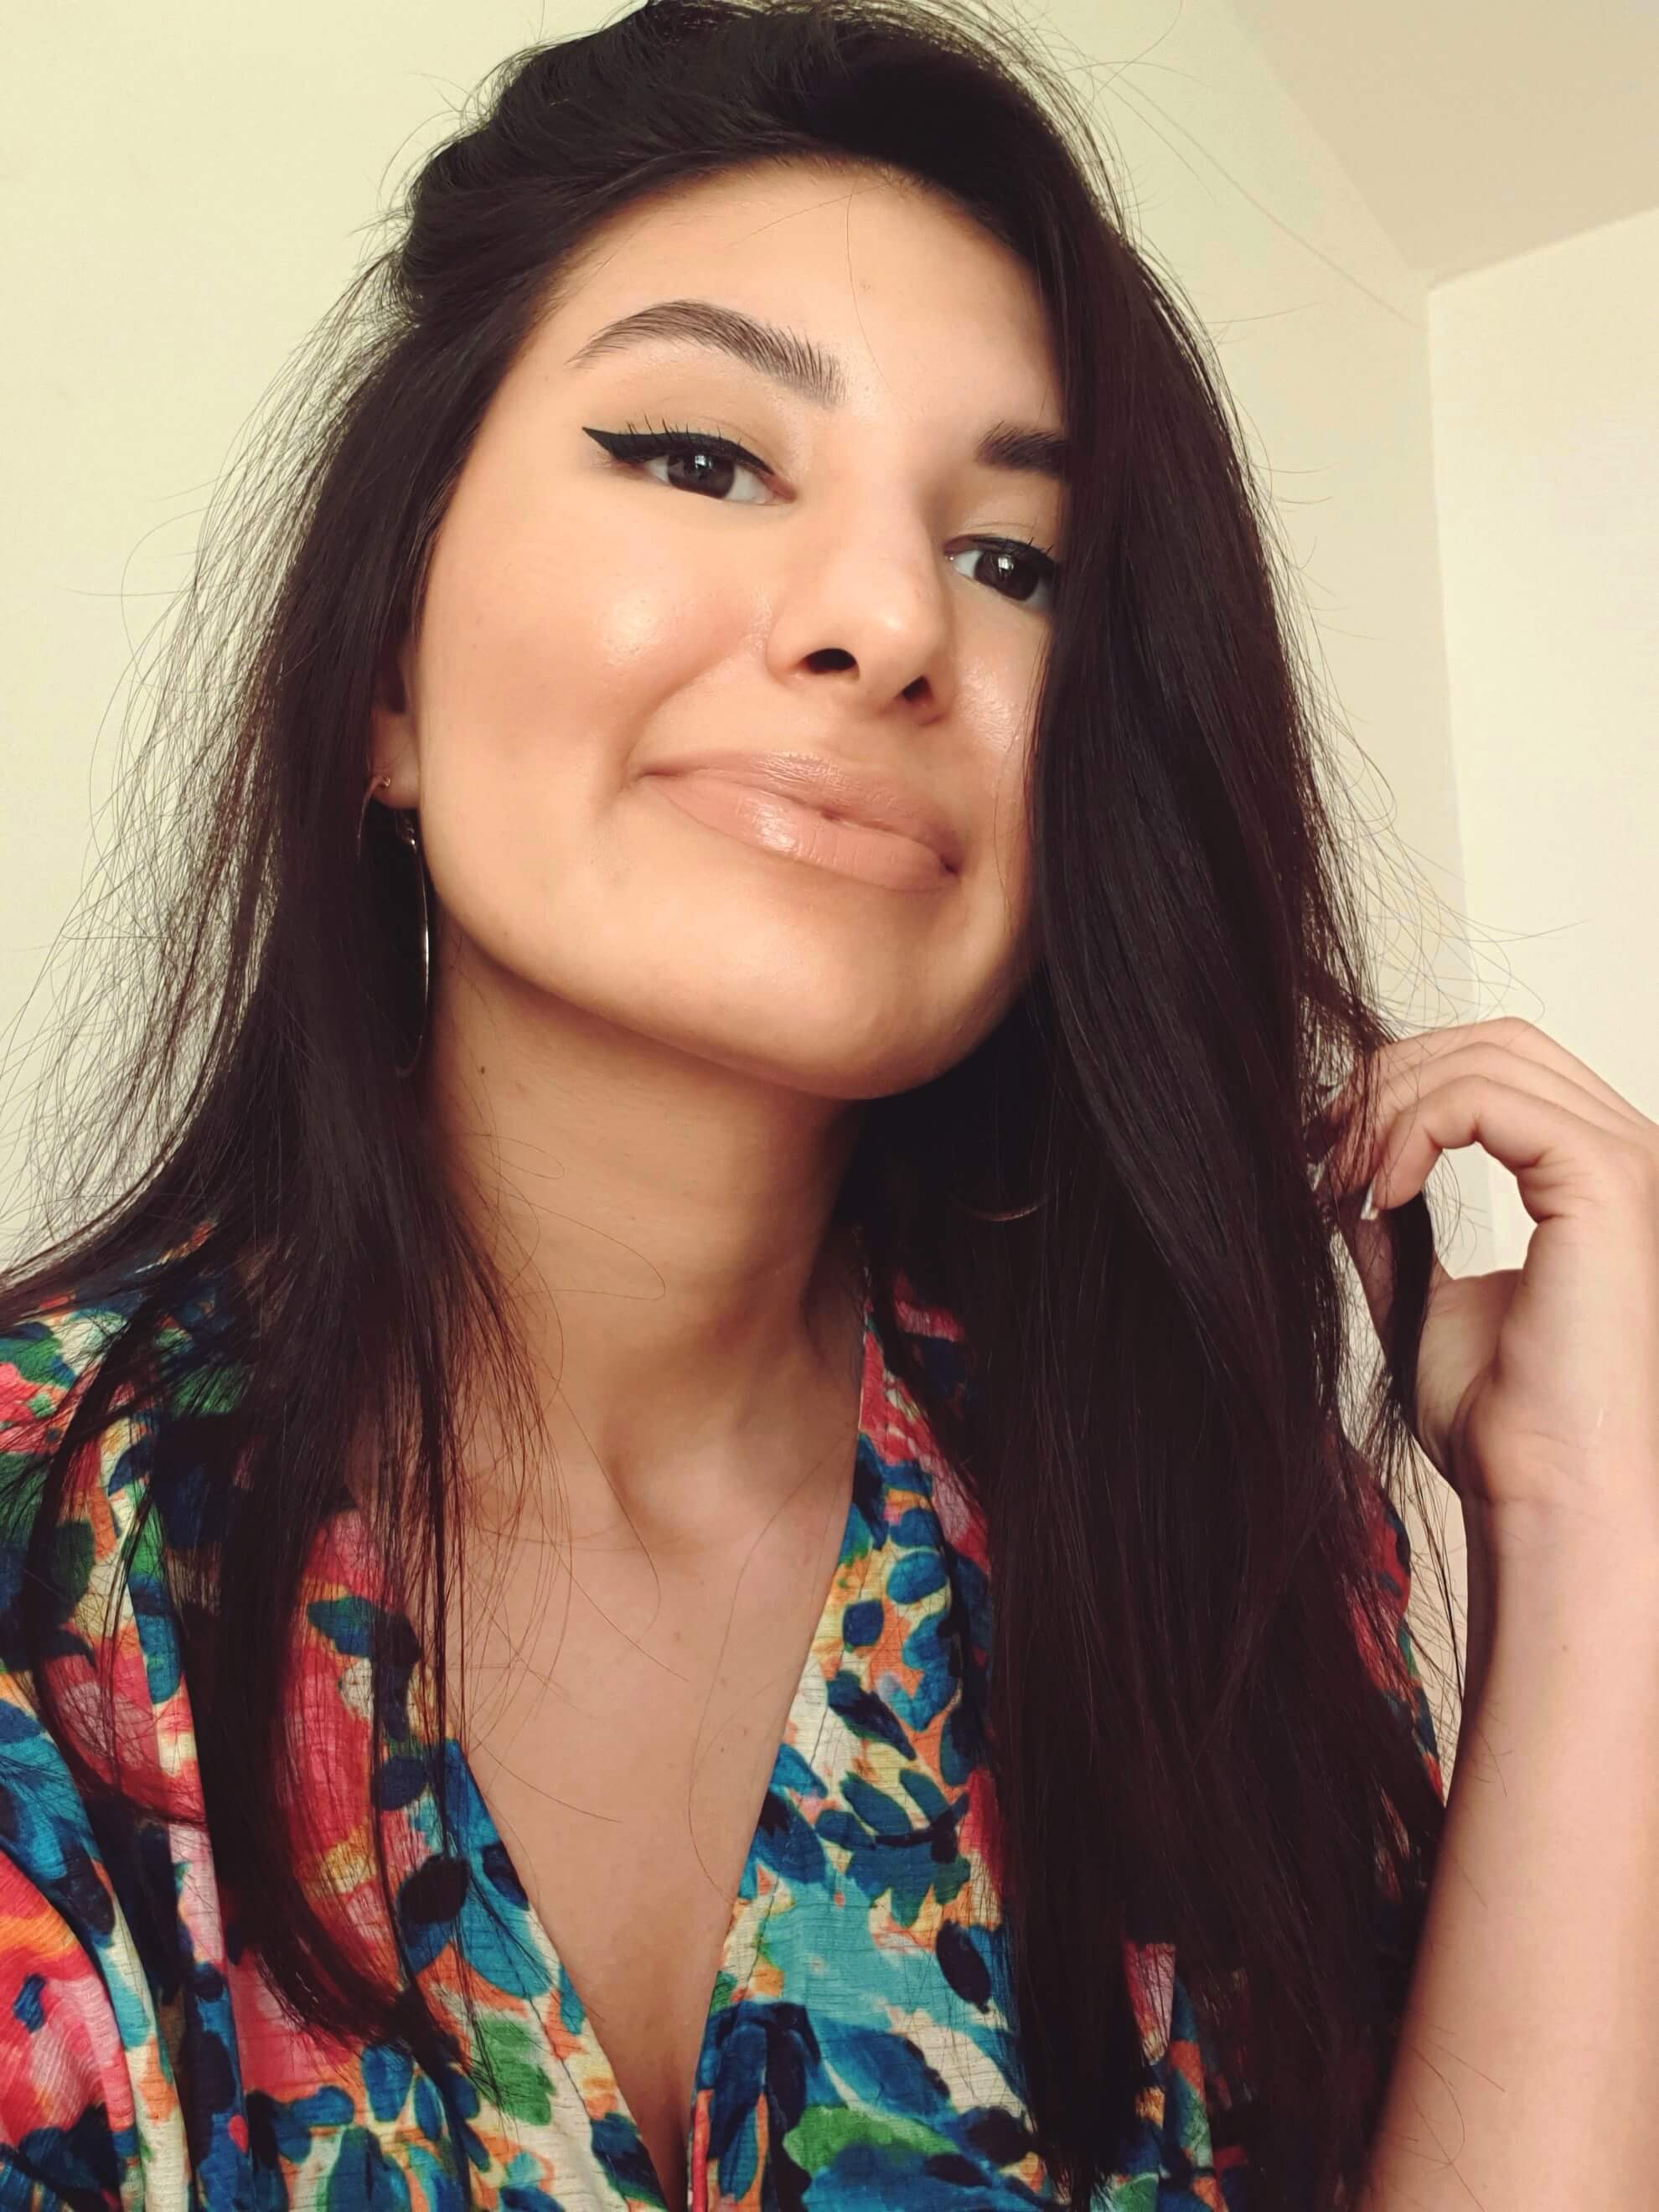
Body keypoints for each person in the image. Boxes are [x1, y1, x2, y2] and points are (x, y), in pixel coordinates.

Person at [0, 2, 1454, 2205]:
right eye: (697, 458)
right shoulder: (45, 1551)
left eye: (1016, 562)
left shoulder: (1229, 1578)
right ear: (385, 672)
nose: (888, 621)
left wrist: (1600, 1528)